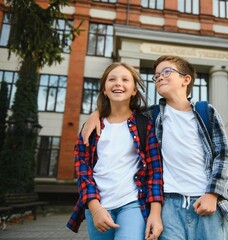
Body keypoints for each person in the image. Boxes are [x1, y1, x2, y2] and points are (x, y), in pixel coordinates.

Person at [82, 56, 228, 240]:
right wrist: (96, 114)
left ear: (186, 79)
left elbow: (222, 156)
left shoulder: (205, 112)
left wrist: (213, 194)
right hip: (168, 205)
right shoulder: (152, 116)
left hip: (206, 201)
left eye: (167, 72)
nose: (159, 77)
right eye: (157, 75)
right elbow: (120, 107)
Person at [66, 62, 164, 240]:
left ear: (134, 90)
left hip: (133, 204)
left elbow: (155, 171)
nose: (118, 83)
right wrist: (95, 209)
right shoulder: (91, 128)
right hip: (97, 205)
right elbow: (82, 169)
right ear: (104, 89)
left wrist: (155, 212)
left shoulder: (145, 125)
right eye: (112, 79)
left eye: (125, 79)